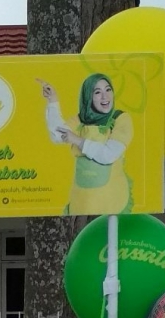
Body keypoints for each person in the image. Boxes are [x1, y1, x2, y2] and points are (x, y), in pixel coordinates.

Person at [38, 72, 134, 215]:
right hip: (82, 200)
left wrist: (77, 140)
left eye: (108, 90)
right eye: (97, 92)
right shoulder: (82, 118)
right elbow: (57, 135)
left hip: (111, 200)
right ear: (88, 96)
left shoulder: (120, 118)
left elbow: (108, 155)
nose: (105, 97)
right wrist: (53, 101)